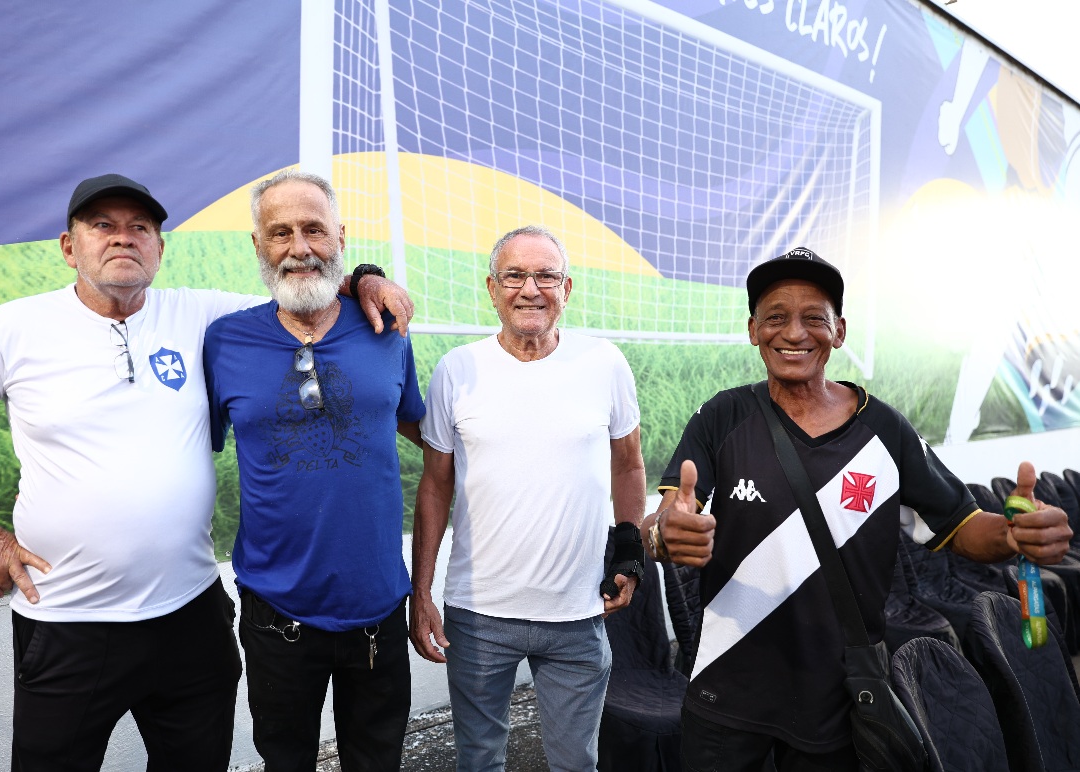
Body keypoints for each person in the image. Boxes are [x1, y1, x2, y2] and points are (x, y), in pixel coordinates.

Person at [0, 172, 414, 772]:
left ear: (159, 249)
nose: (123, 239)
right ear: (70, 246)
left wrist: (365, 277)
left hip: (191, 616)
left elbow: (305, 288)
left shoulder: (203, 318)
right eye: (103, 226)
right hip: (70, 616)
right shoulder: (10, 328)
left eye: (140, 228)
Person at [644, 247, 1074, 771]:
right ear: (753, 329)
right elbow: (668, 517)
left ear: (840, 331)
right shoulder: (722, 416)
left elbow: (962, 526)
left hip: (839, 695)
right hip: (725, 689)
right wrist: (666, 534)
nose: (794, 333)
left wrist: (1011, 535)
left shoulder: (884, 431)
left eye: (814, 319)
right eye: (776, 317)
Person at [203, 169, 425, 771]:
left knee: (377, 761)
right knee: (285, 762)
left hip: (379, 606)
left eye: (314, 229)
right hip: (277, 611)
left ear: (341, 238)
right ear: (257, 246)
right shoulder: (224, 342)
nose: (299, 247)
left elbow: (427, 438)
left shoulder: (386, 331)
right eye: (280, 232)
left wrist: (368, 279)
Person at [410, 225, 648, 771]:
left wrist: (629, 550)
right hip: (478, 615)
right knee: (480, 760)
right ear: (492, 288)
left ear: (568, 288)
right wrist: (420, 590)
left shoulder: (604, 363)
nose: (530, 288)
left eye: (546, 275)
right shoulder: (456, 369)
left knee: (575, 762)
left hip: (577, 613)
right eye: (514, 275)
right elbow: (435, 484)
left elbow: (629, 463)